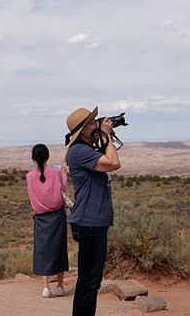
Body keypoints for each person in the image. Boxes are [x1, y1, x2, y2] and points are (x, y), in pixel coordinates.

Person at [64, 106, 121, 316]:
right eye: (91, 122)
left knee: (92, 282)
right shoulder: (79, 151)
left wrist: (104, 137)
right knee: (88, 282)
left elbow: (108, 158)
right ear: (82, 130)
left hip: (95, 222)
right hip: (89, 223)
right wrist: (105, 135)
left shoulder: (88, 151)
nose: (95, 123)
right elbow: (114, 163)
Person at [26, 143, 69, 298]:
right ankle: (59, 285)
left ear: (33, 158)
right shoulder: (56, 173)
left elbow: (31, 196)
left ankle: (45, 287)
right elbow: (63, 189)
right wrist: (64, 173)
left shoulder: (29, 176)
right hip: (57, 216)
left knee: (43, 250)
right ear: (47, 156)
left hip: (40, 218)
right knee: (59, 248)